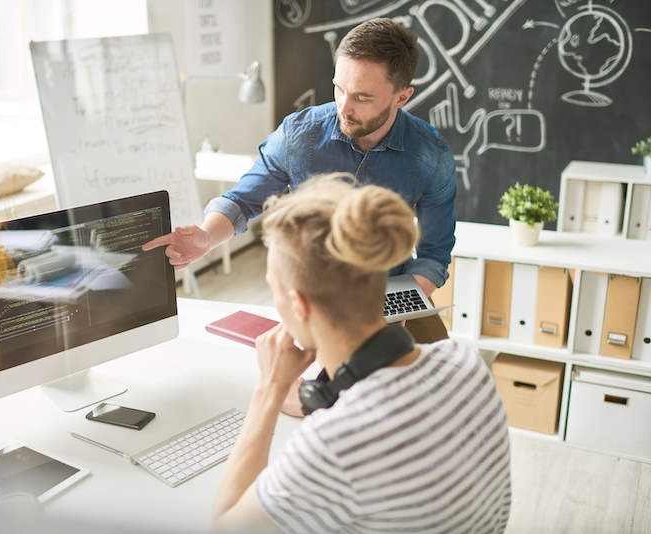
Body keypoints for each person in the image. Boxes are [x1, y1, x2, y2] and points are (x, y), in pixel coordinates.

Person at [210, 175, 511, 534]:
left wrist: (271, 387)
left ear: (298, 305)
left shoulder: (334, 444)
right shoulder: (464, 362)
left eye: (274, 288)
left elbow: (224, 527)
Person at [144, 18, 456, 345]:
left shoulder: (431, 155)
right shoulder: (299, 135)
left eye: (362, 98)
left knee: (444, 374)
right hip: (313, 301)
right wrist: (207, 236)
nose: (343, 108)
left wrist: (396, 309)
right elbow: (241, 201)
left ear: (401, 97)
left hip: (391, 292)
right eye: (339, 88)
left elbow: (434, 255)